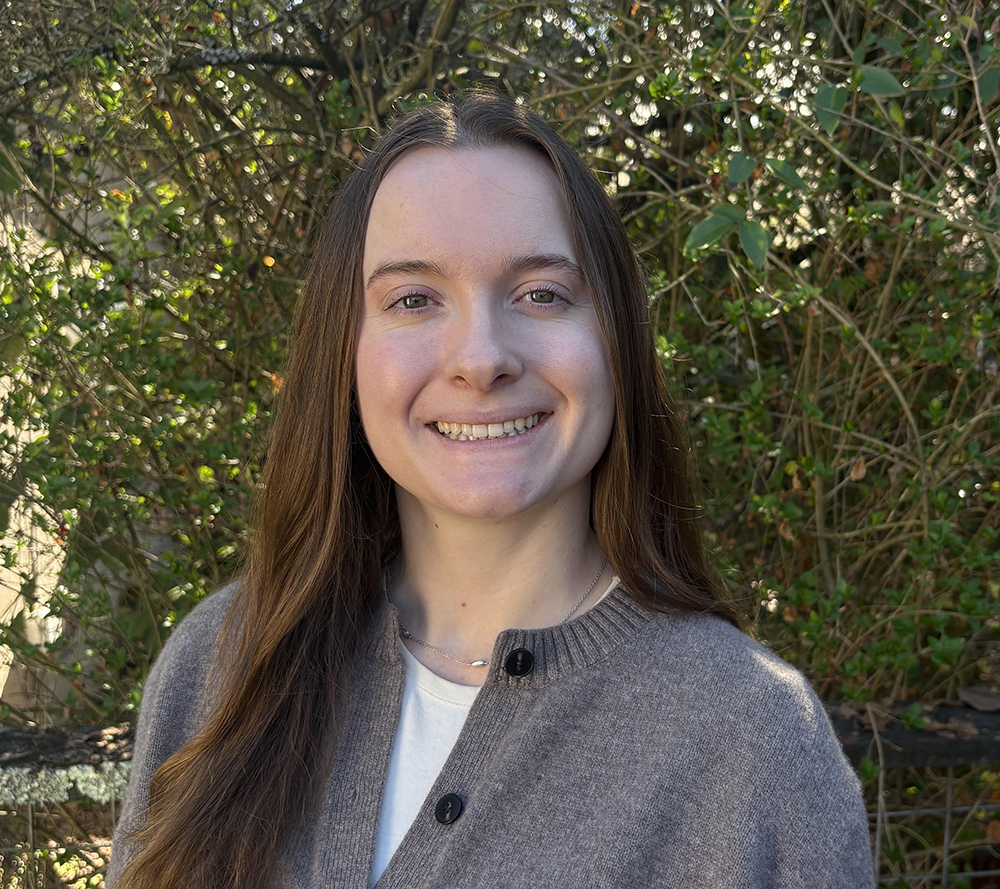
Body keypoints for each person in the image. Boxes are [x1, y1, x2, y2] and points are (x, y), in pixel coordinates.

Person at [107, 91, 874, 889]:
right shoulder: (223, 662)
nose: (481, 356)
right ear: (345, 353)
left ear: (616, 339)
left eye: (542, 293)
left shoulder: (750, 738)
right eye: (413, 299)